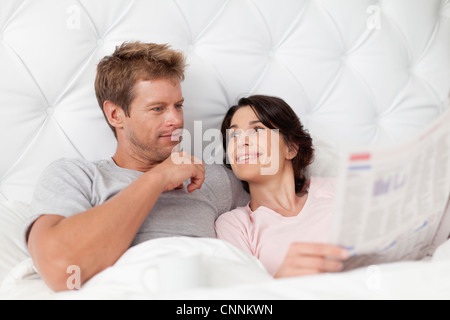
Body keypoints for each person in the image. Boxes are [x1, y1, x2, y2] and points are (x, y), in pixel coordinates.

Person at [25, 42, 249, 292]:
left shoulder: (211, 178)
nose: (176, 120)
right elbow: (61, 269)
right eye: (158, 108)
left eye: (178, 105)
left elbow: (283, 203)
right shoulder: (77, 177)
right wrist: (157, 179)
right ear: (115, 115)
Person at [215, 95, 350, 278]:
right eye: (234, 135)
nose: (241, 142)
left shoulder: (337, 190)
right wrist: (281, 279)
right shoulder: (236, 225)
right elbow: (244, 298)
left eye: (257, 130)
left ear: (291, 148)